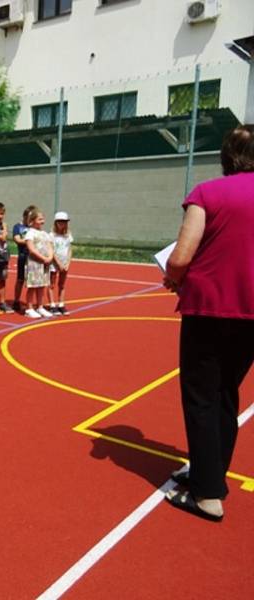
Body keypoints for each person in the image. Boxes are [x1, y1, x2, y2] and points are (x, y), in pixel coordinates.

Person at [163, 125, 254, 522]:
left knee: (201, 396)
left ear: (227, 154)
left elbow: (182, 256)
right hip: (251, 311)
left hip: (209, 307)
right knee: (226, 394)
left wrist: (174, 276)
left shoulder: (208, 193)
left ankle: (206, 494)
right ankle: (210, 472)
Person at [23, 208, 54, 319]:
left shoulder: (45, 234)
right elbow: (32, 249)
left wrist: (49, 257)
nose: (42, 220)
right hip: (34, 263)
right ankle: (29, 308)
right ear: (33, 220)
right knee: (32, 286)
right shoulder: (30, 233)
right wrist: (43, 258)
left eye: (43, 218)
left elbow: (50, 246)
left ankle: (40, 306)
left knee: (42, 285)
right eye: (39, 219)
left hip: (44, 264)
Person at [12, 205, 36, 313]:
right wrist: (29, 241)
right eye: (29, 218)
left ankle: (29, 303)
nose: (30, 220)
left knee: (32, 281)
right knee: (20, 279)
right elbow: (17, 239)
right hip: (23, 256)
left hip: (33, 257)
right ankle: (16, 301)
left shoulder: (34, 227)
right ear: (25, 216)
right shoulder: (18, 227)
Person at [49, 211, 73, 316]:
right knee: (52, 284)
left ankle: (61, 304)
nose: (62, 224)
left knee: (62, 284)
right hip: (54, 263)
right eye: (60, 222)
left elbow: (69, 250)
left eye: (64, 222)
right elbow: (51, 250)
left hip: (64, 263)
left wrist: (68, 262)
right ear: (56, 223)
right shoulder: (52, 235)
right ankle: (52, 305)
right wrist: (58, 263)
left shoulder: (68, 235)